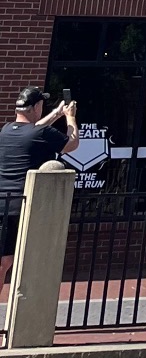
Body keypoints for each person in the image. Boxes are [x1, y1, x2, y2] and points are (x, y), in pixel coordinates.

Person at [0, 88, 79, 260]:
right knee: (12, 261)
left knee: (6, 259)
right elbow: (71, 144)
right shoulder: (41, 133)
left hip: (4, 203)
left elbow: (34, 129)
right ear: (37, 107)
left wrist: (56, 114)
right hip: (24, 205)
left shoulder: (6, 130)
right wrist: (70, 116)